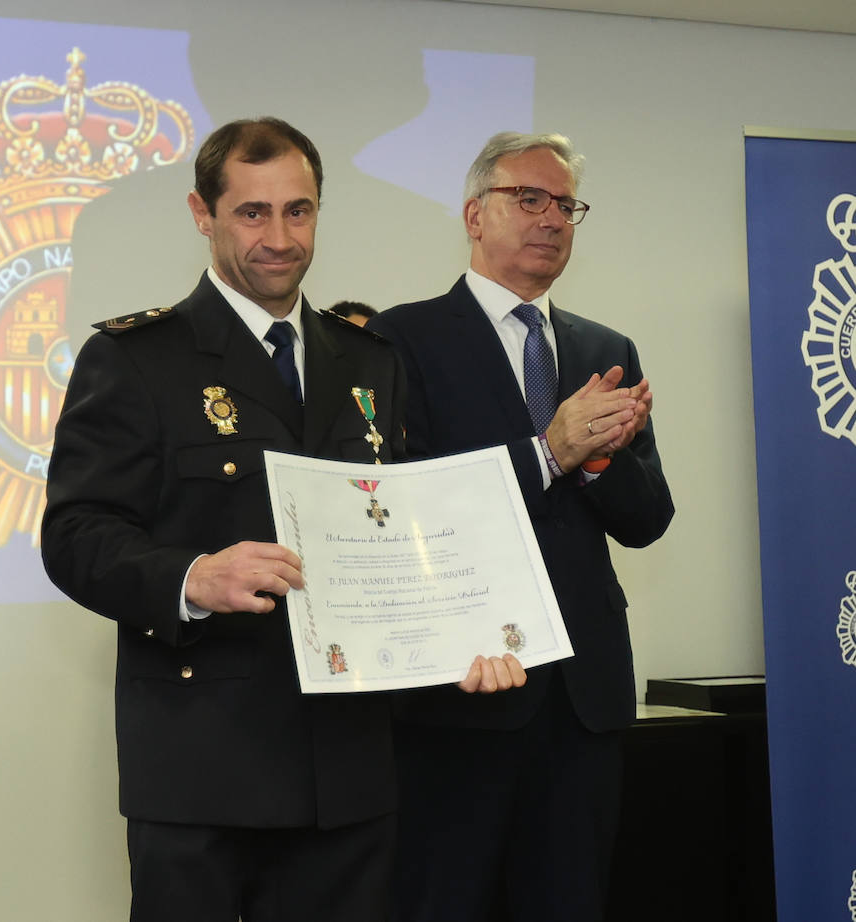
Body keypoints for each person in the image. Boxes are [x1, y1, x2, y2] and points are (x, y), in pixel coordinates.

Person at [42, 117, 523, 922]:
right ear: (204, 214)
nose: (279, 237)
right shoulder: (137, 358)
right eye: (252, 213)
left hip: (348, 769)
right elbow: (76, 534)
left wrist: (469, 631)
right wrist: (193, 577)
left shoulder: (367, 360)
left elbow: (403, 530)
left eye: (298, 212)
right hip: (202, 768)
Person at [366, 131, 674, 922]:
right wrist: (550, 452)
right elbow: (403, 507)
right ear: (475, 215)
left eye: (565, 205)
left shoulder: (607, 350)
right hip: (460, 691)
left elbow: (648, 521)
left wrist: (601, 462)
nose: (551, 219)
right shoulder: (400, 341)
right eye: (528, 199)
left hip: (583, 698)